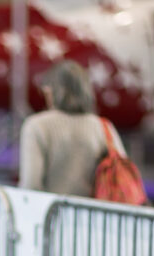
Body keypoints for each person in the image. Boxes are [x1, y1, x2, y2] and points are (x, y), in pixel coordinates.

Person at [19, 59, 127, 197]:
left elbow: (31, 184)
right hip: (94, 214)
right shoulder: (103, 127)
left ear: (51, 90)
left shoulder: (36, 126)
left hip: (50, 214)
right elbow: (122, 173)